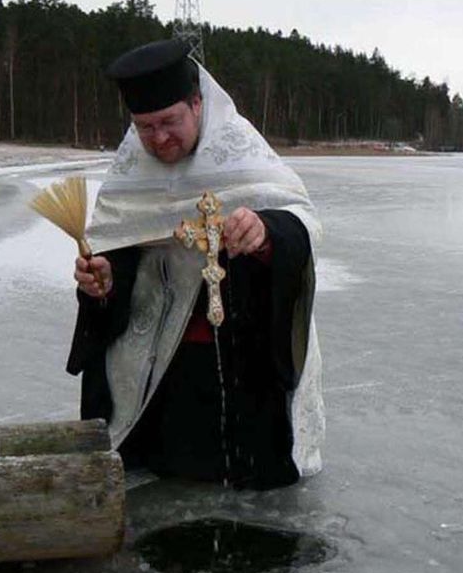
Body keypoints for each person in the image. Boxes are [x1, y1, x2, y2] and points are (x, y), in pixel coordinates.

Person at [66, 39, 324, 490]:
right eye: (145, 127)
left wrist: (264, 234)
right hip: (161, 379)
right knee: (161, 483)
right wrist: (104, 280)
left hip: (242, 372)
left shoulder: (242, 155)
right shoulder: (131, 176)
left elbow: (300, 226)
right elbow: (118, 250)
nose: (159, 138)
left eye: (170, 122)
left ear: (197, 104)